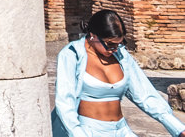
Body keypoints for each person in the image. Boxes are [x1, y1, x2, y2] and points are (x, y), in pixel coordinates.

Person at [54, 9, 185, 136]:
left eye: (119, 44)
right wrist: (77, 133)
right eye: (110, 44)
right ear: (93, 35)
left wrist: (178, 128)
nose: (115, 49)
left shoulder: (121, 54)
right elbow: (65, 102)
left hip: (121, 130)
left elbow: (145, 95)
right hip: (88, 131)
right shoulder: (71, 55)